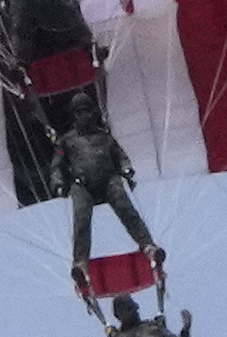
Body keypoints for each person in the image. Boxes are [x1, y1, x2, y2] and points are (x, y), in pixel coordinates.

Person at [53, 110, 159, 281]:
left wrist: (126, 168)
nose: (85, 116)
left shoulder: (104, 137)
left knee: (127, 210)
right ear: (75, 115)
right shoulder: (67, 140)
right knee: (81, 219)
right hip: (82, 185)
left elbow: (119, 155)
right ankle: (80, 263)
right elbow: (57, 165)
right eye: (81, 111)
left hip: (109, 181)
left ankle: (148, 247)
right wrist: (58, 182)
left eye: (87, 110)